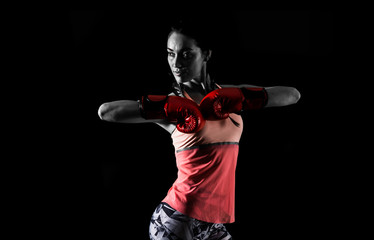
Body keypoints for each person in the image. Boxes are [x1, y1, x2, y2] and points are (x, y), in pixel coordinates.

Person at [98, 17, 301, 240]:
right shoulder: (172, 106)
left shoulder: (228, 96)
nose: (176, 63)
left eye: (186, 54)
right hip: (176, 220)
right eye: (170, 53)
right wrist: (170, 106)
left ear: (206, 54)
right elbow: (106, 112)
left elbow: (292, 95)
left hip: (213, 224)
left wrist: (240, 97)